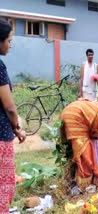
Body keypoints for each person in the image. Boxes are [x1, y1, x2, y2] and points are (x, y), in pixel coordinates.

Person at [0, 18, 26, 213]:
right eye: (9, 40)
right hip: (1, 136)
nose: (11, 44)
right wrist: (17, 128)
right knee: (3, 184)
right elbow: (9, 107)